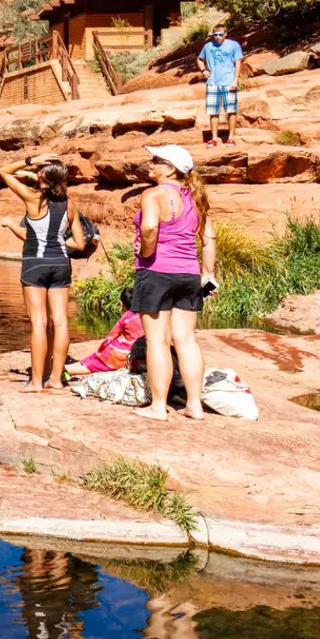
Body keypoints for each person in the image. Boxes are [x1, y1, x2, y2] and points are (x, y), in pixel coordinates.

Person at [134, 143, 218, 422]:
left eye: (155, 160)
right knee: (186, 339)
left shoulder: (153, 194)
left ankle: (159, 407)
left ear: (170, 168)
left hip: (157, 272)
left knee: (157, 340)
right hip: (188, 274)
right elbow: (209, 238)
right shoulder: (196, 196)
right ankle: (194, 405)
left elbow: (149, 228)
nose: (150, 163)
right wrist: (207, 274)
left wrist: (146, 252)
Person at [1, 155, 86, 393]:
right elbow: (79, 243)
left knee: (38, 323)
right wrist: (58, 243)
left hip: (35, 263)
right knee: (59, 321)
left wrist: (29, 160)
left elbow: (4, 171)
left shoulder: (34, 199)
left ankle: (37, 381)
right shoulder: (69, 204)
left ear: (43, 176)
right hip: (61, 263)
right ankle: (56, 379)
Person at [198, 22, 243, 146]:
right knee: (213, 111)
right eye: (215, 35)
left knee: (231, 110)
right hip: (212, 82)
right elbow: (199, 59)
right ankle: (214, 138)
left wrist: (235, 80)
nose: (218, 37)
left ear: (225, 34)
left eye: (220, 34)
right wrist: (203, 70)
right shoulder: (208, 46)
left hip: (228, 81)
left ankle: (231, 137)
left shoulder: (234, 45)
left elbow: (238, 62)